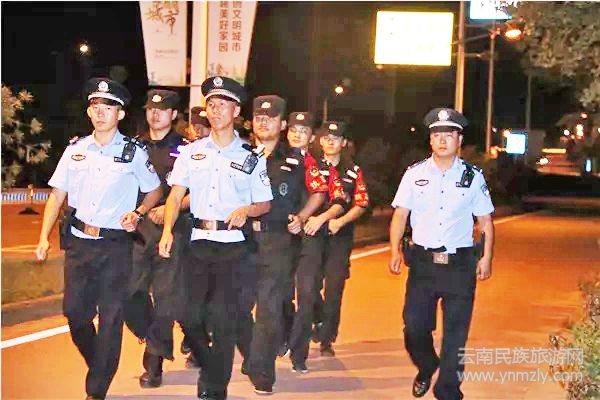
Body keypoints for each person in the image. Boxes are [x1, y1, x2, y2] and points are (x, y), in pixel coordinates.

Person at [35, 78, 162, 400]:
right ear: (89, 112)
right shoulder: (75, 150)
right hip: (79, 244)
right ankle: (100, 365)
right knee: (75, 313)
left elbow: (154, 190)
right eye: (95, 107)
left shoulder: (134, 153)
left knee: (110, 317)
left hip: (115, 246)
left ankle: (97, 388)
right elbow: (57, 195)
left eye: (108, 107)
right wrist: (43, 237)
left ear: (120, 114)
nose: (101, 113)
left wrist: (139, 212)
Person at [159, 76, 272, 400]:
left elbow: (265, 202)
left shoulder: (252, 156)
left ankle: (215, 386)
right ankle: (211, 370)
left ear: (236, 111)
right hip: (197, 243)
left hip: (233, 248)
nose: (216, 110)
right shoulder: (191, 152)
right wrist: (167, 231)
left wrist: (247, 209)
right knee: (188, 315)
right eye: (211, 104)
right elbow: (175, 196)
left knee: (223, 320)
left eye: (223, 104)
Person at [388, 108, 495, 400]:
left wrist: (486, 257)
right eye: (437, 135)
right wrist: (394, 250)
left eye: (449, 135)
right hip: (423, 265)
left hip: (459, 265)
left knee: (456, 334)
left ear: (459, 139)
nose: (443, 140)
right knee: (414, 327)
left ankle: (448, 390)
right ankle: (426, 365)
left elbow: (485, 221)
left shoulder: (473, 177)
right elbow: (400, 215)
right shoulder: (414, 174)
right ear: (430, 140)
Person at [244, 99, 329, 395]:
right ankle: (256, 350)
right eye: (258, 116)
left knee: (268, 307)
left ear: (282, 125)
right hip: (240, 240)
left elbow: (319, 192)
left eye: (270, 118)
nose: (263, 122)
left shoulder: (297, 160)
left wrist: (302, 217)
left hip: (278, 241)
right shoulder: (240, 155)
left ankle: (262, 370)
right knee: (235, 306)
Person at [123, 89, 190, 388]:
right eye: (151, 108)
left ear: (173, 115)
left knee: (165, 299)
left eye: (162, 110)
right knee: (130, 293)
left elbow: (200, 191)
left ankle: (154, 362)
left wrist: (172, 208)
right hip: (137, 231)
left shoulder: (187, 150)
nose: (155, 113)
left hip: (173, 231)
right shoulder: (133, 146)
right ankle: (151, 336)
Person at [288, 123, 348, 374]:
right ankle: (284, 334)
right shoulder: (272, 159)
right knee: (277, 295)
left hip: (309, 239)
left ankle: (298, 354)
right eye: (293, 130)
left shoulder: (323, 168)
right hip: (276, 240)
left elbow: (339, 199)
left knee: (306, 294)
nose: (297, 135)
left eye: (303, 131)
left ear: (311, 137)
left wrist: (319, 218)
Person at [312, 120, 370, 357]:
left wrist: (341, 221)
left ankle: (327, 339)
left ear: (344, 142)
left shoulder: (353, 171)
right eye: (326, 138)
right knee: (309, 284)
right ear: (320, 141)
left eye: (335, 139)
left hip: (340, 236)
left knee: (334, 288)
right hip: (313, 235)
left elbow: (361, 203)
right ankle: (318, 317)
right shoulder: (311, 167)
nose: (330, 142)